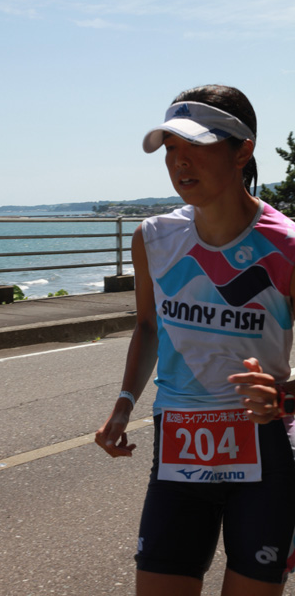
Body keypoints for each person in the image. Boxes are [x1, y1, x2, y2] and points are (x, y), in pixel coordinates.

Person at [95, 84, 295, 596]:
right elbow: (148, 326)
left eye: (196, 146)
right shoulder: (153, 237)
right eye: (170, 148)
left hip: (266, 449)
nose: (179, 162)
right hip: (179, 444)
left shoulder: (287, 246)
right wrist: (123, 404)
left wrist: (283, 397)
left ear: (242, 151)